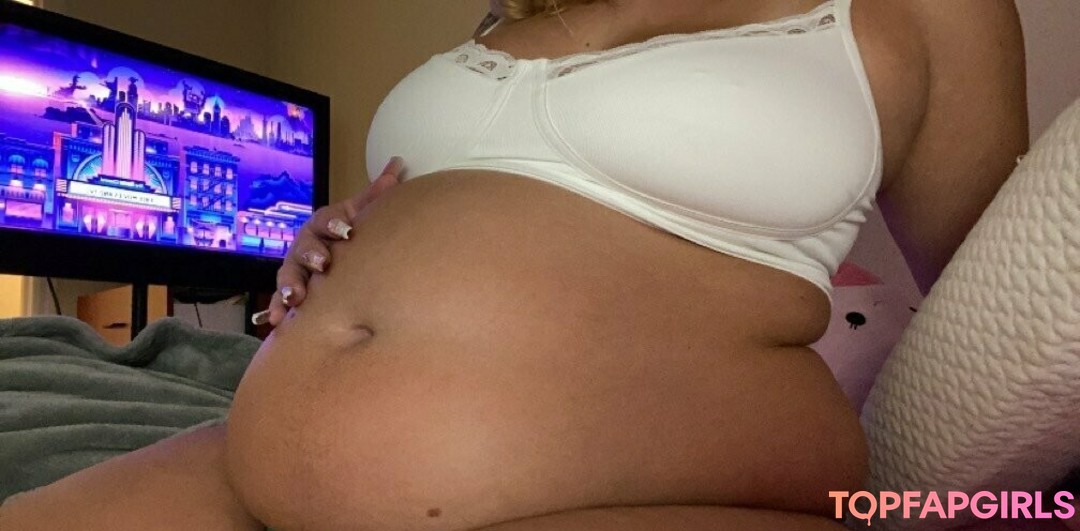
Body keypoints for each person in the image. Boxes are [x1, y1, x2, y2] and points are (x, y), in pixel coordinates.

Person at [1, 0, 1027, 529]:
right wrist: (340, 234)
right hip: (256, 462)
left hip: (624, 497)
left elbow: (1015, 320)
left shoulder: (920, 13)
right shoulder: (516, 13)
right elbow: (492, 201)